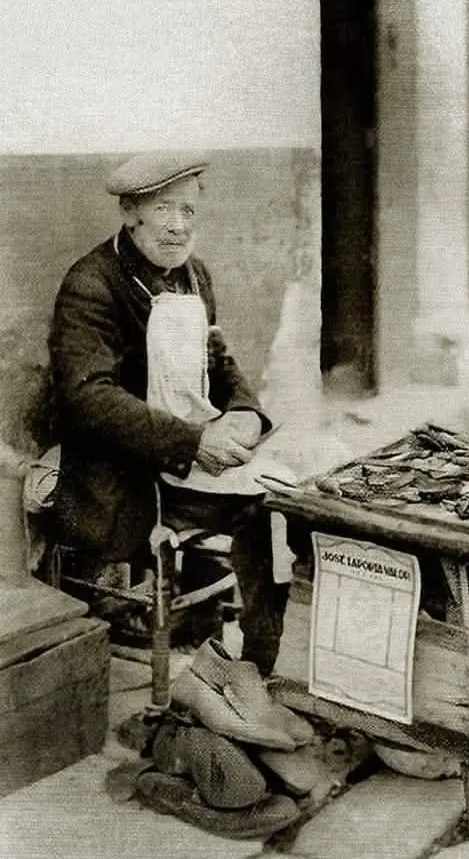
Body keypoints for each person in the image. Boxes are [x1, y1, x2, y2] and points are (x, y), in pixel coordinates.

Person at [48, 151, 289, 676]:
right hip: (120, 477)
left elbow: (219, 363)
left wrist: (246, 412)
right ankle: (243, 657)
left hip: (183, 461)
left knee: (284, 503)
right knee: (260, 509)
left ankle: (256, 661)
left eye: (188, 211)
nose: (178, 226)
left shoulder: (194, 276)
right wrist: (194, 442)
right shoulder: (92, 284)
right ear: (130, 212)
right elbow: (88, 398)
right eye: (163, 210)